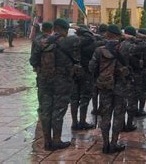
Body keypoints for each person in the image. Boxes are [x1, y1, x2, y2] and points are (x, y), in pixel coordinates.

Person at [30, 18, 80, 150]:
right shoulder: (69, 41)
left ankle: (47, 141)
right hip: (62, 82)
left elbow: (32, 61)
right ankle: (56, 140)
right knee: (58, 111)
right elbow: (79, 55)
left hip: (44, 81)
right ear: (64, 29)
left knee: (45, 111)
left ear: (54, 28)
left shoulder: (40, 41)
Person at [89, 24, 132, 153]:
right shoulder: (125, 47)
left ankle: (105, 144)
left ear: (107, 34)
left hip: (104, 86)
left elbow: (91, 68)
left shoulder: (99, 50)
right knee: (118, 115)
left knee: (105, 115)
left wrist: (100, 76)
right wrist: (129, 38)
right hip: (121, 87)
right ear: (119, 35)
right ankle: (114, 143)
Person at [70, 26, 96, 130]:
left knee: (74, 98)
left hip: (74, 72)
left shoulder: (72, 43)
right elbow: (90, 37)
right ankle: (82, 121)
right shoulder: (89, 44)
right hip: (86, 73)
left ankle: (74, 122)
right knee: (85, 97)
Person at [91, 24, 107, 116]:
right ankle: (100, 107)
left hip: (94, 68)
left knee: (94, 91)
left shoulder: (94, 39)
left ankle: (94, 108)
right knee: (102, 90)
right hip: (104, 69)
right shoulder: (106, 41)